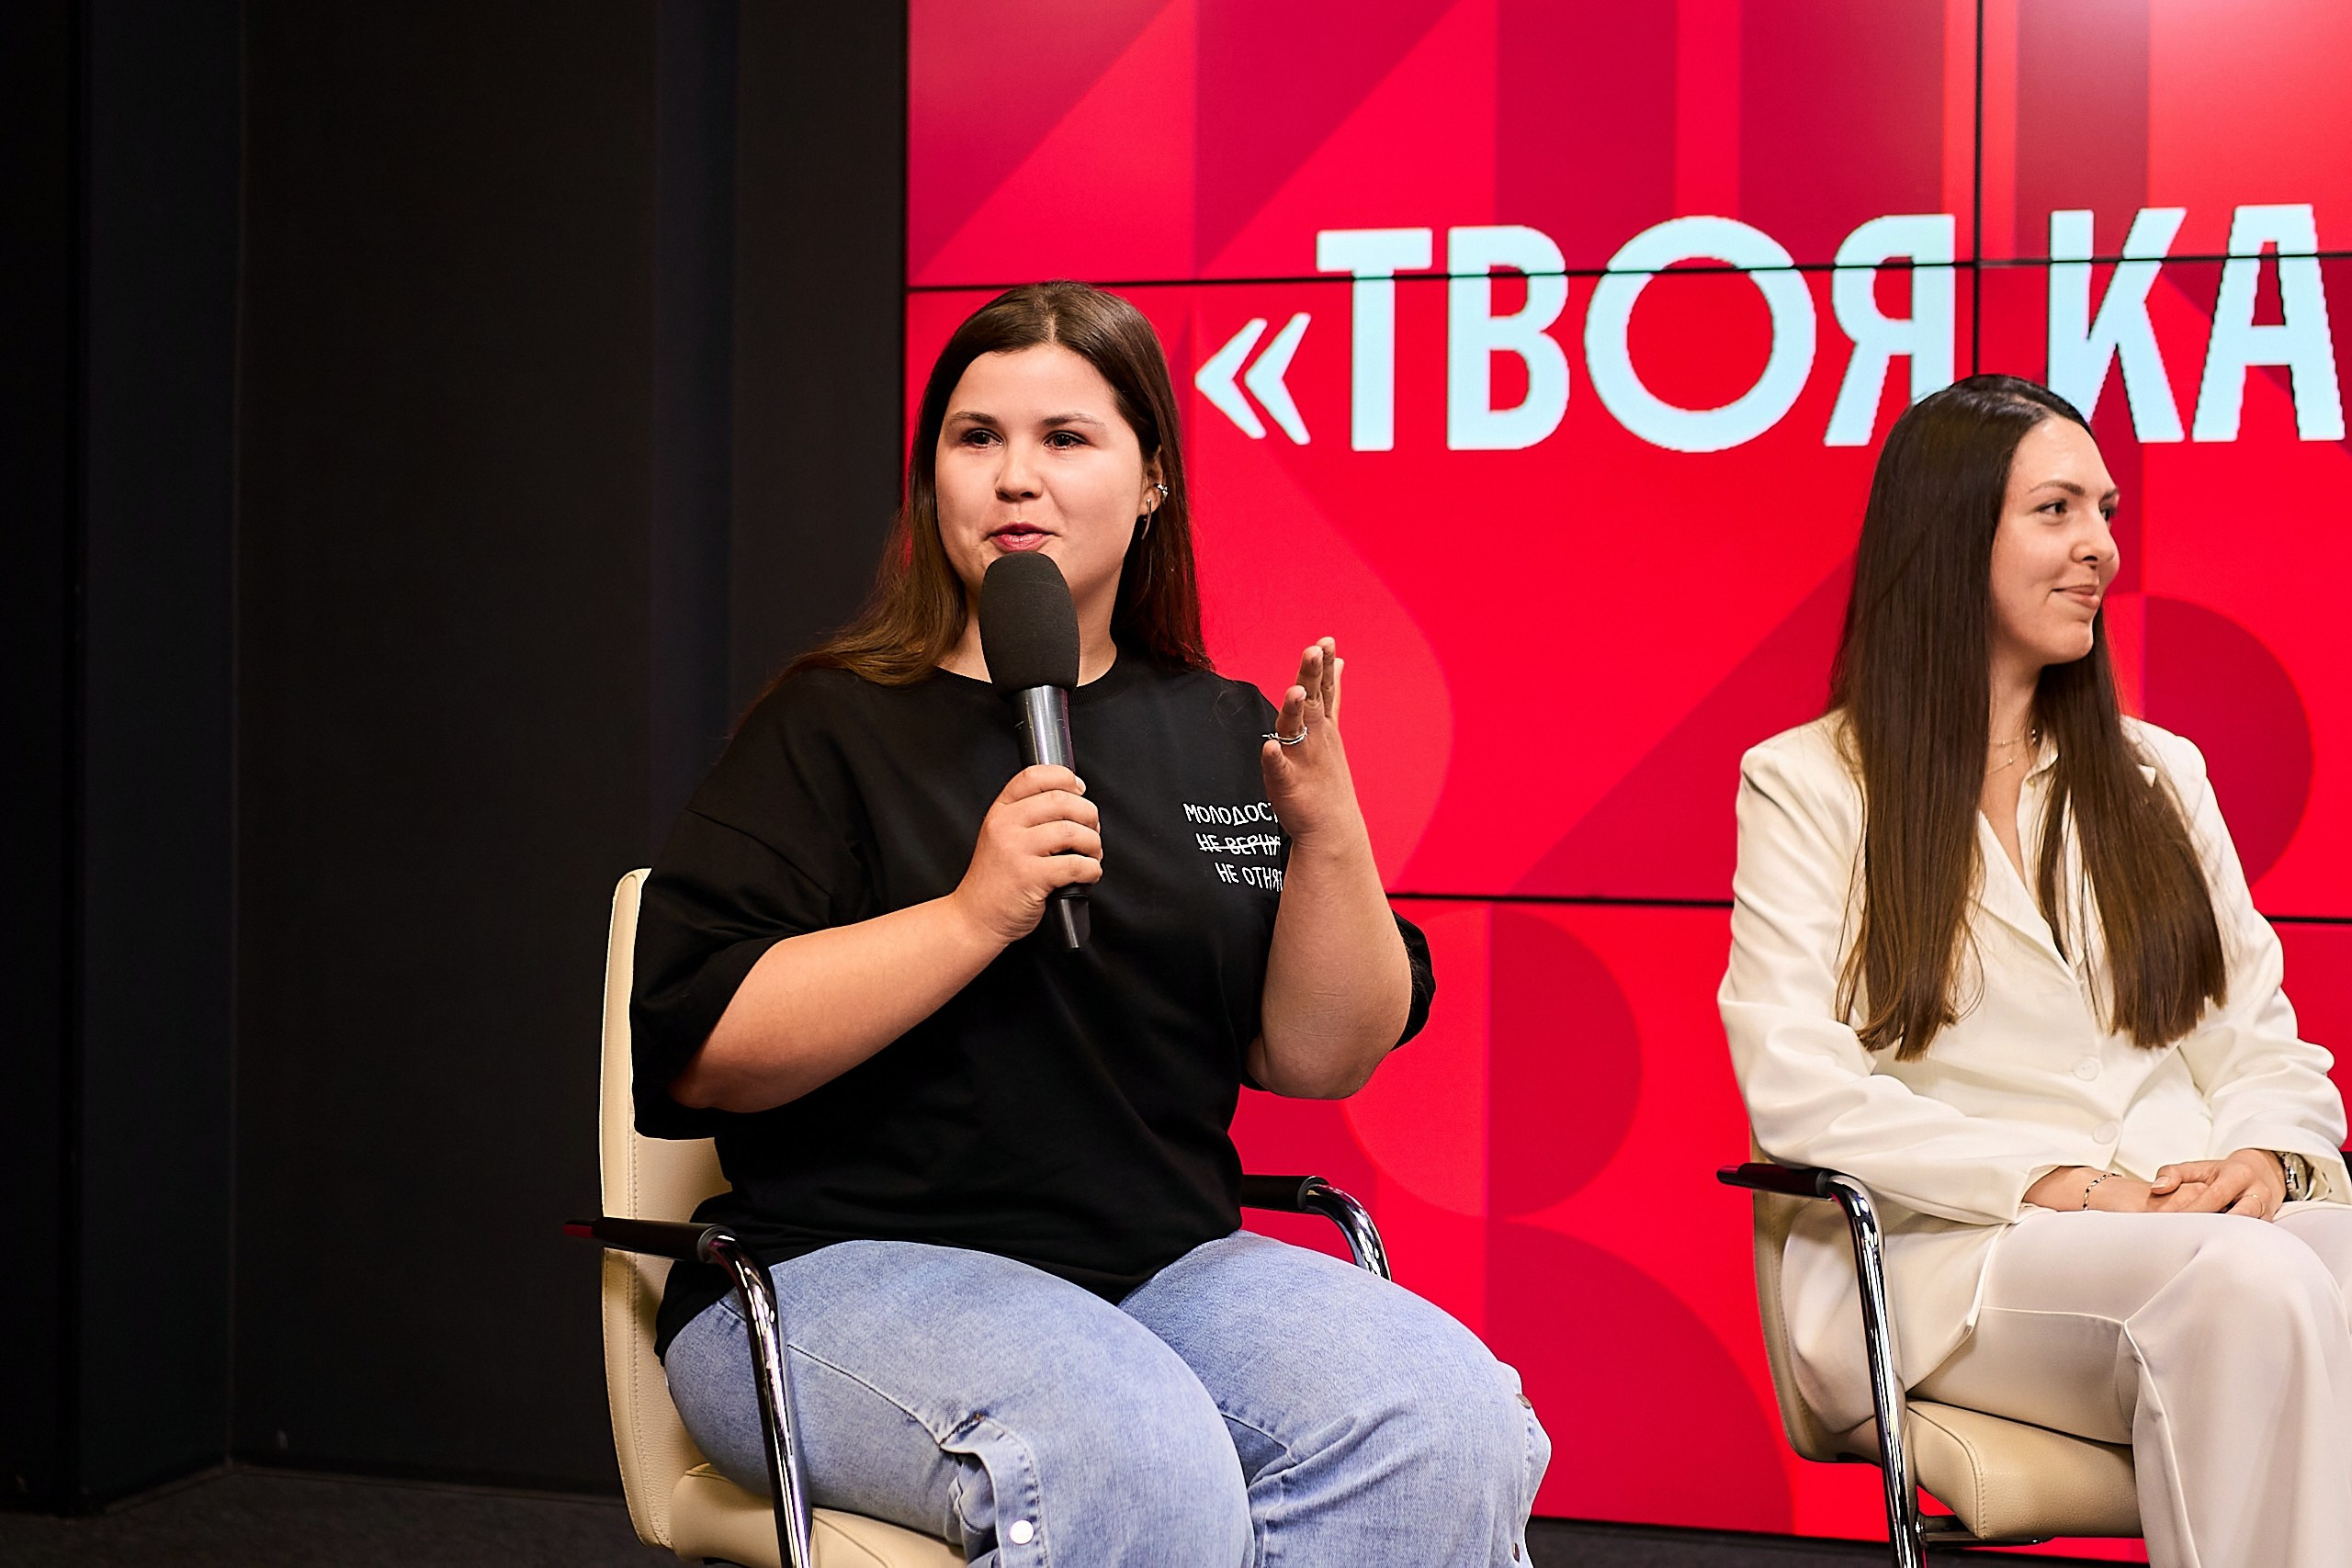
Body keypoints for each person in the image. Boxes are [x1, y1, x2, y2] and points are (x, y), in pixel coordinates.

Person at [631, 281, 1547, 1566]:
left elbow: (1316, 1057)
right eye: (977, 438)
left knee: (1441, 1418)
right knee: (1127, 1441)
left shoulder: (1224, 730)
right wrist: (972, 915)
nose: (1017, 476)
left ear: (1153, 480)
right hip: (833, 1276)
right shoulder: (827, 725)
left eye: (1065, 438)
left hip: (1158, 1272)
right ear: (931, 479)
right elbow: (698, 1049)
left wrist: (1332, 840)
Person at [1722, 373, 2352, 1566]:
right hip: (1954, 1257)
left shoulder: (2159, 775)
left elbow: (2258, 1044)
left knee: (2298, 1260)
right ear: (1952, 536)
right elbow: (1799, 1090)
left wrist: (2264, 1161)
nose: (2100, 547)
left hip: (2187, 1225)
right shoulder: (1808, 784)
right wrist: (2064, 1183)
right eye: (2057, 510)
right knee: (2247, 1286)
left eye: (2106, 511)